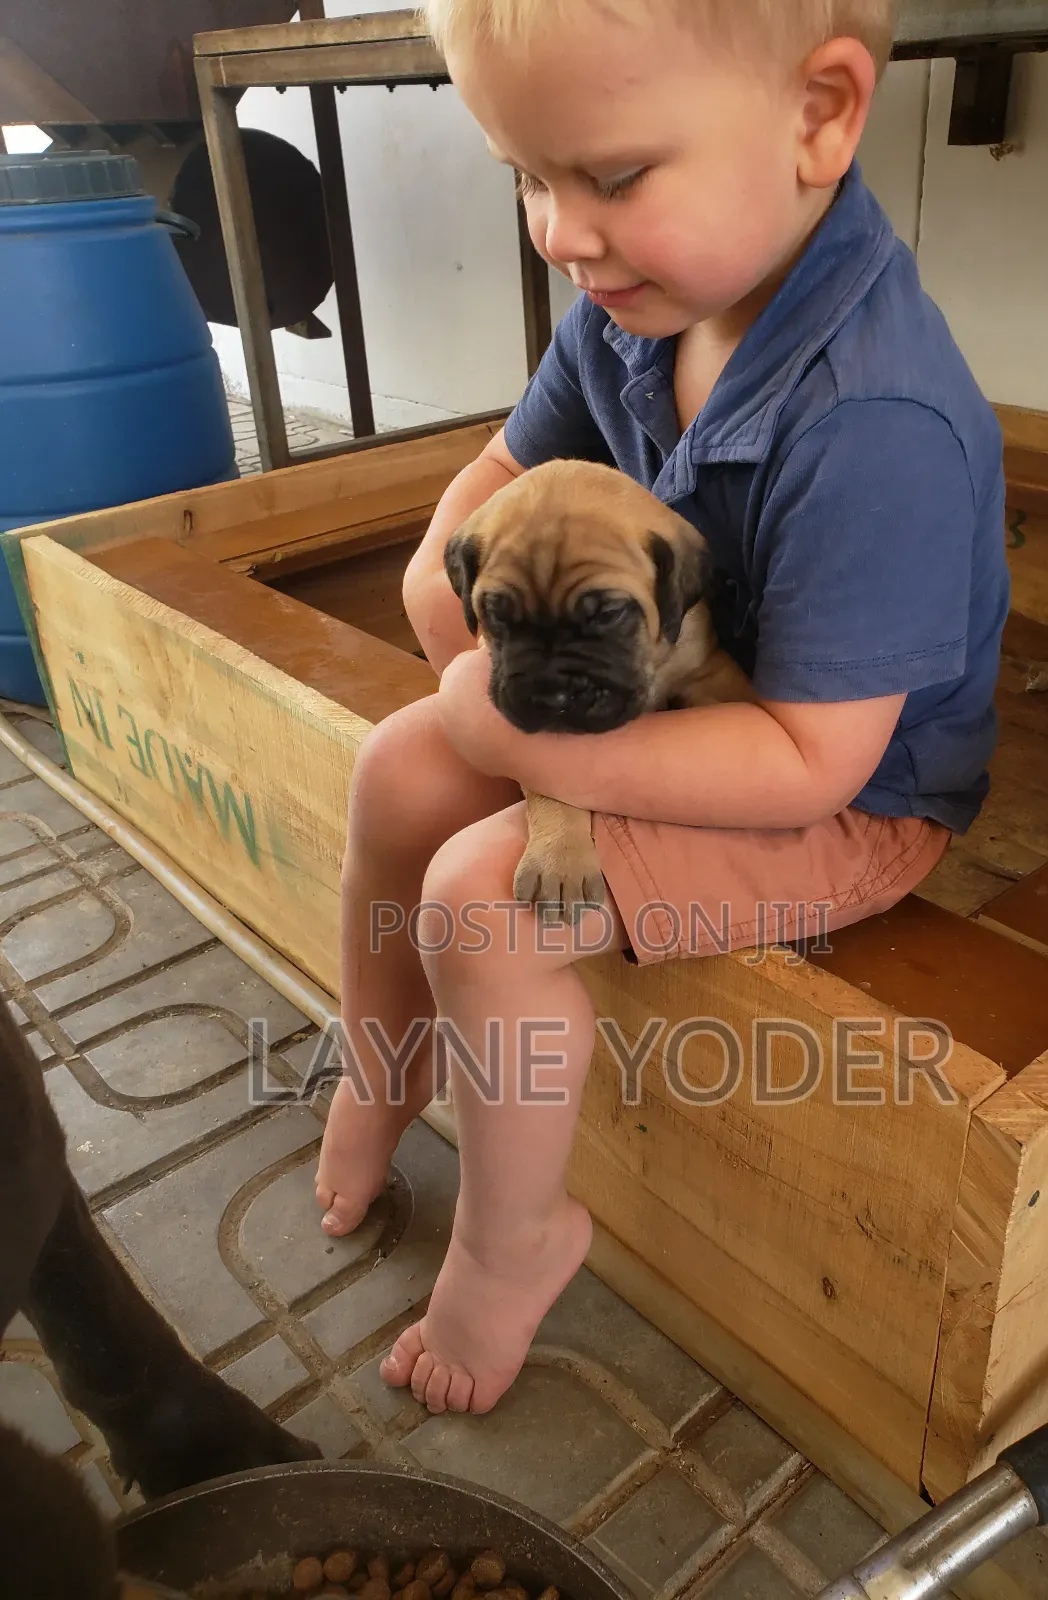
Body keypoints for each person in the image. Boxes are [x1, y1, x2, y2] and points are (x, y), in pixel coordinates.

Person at [314, 0, 1010, 1417]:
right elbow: (492, 494)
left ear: (820, 115)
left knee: (481, 904)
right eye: (526, 177)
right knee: (394, 774)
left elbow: (813, 763)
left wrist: (519, 734)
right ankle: (384, 1064)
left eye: (612, 177)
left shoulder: (877, 424)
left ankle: (517, 1242)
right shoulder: (629, 313)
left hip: (842, 796)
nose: (562, 232)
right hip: (670, 716)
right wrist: (461, 589)